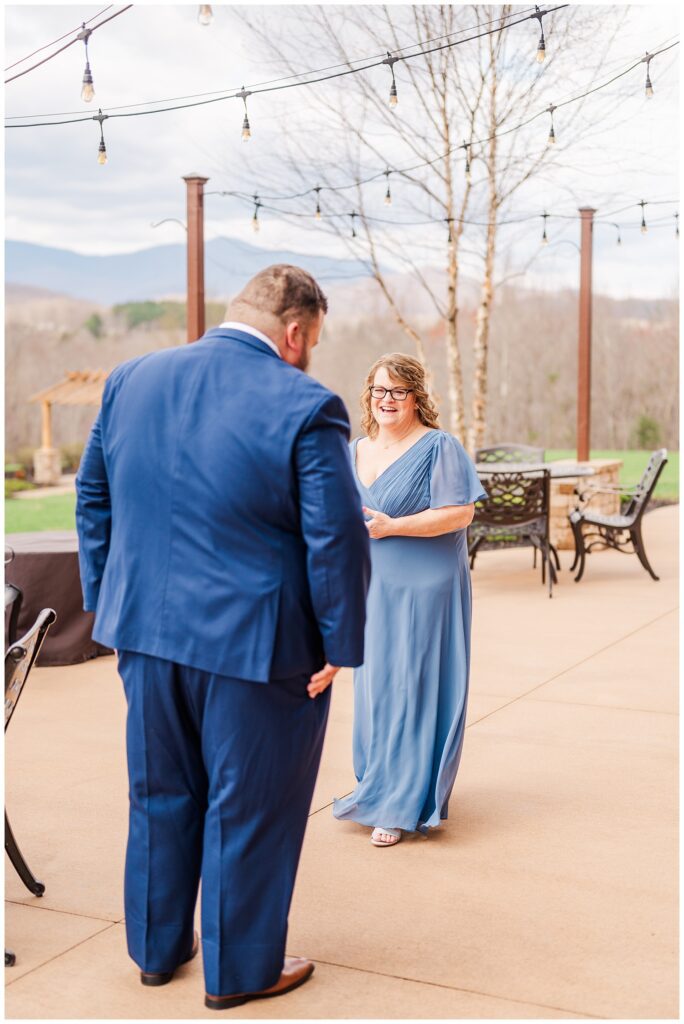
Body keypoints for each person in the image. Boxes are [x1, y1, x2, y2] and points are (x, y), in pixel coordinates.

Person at [76, 265, 370, 1009]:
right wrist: (341, 642)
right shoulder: (307, 404)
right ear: (295, 332)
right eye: (311, 341)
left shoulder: (131, 379)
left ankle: (156, 951)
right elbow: (333, 539)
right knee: (251, 808)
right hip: (257, 651)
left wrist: (112, 607)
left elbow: (93, 498)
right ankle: (241, 974)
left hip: (144, 637)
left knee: (159, 794)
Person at [333, 353, 486, 847]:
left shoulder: (439, 447)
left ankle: (400, 803)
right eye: (379, 390)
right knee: (376, 687)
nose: (387, 400)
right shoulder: (354, 449)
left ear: (417, 397)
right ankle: (378, 782)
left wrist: (394, 525)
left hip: (427, 587)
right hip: (372, 587)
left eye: (398, 391)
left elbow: (460, 513)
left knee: (413, 685)